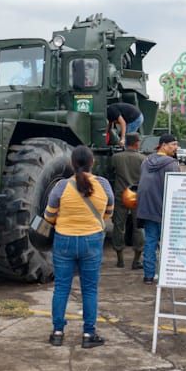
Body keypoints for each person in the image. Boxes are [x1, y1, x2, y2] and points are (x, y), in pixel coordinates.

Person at [44, 145, 114, 349]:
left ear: (71, 164)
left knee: (61, 288)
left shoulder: (61, 186)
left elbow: (49, 216)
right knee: (90, 289)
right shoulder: (103, 185)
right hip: (91, 241)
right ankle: (88, 334)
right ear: (93, 162)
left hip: (64, 240)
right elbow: (108, 213)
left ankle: (57, 332)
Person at [136, 133, 180, 284]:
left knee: (150, 242)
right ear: (163, 145)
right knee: (167, 244)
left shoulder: (146, 161)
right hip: (164, 209)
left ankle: (148, 276)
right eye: (173, 144)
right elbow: (177, 188)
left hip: (146, 209)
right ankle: (167, 275)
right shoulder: (171, 164)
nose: (176, 148)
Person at [110, 132, 145, 269]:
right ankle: (136, 260)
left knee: (119, 226)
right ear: (137, 144)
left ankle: (120, 259)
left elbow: (110, 171)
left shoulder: (116, 157)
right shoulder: (143, 159)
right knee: (139, 227)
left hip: (120, 196)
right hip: (137, 197)